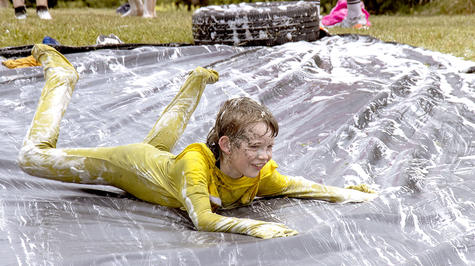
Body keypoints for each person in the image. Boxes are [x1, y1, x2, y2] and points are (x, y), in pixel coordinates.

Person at [18, 44, 377, 239]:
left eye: (269, 147)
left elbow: (301, 187)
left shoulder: (261, 173)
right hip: (126, 164)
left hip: (157, 161)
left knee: (158, 147)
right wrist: (257, 227)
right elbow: (203, 220)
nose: (264, 157)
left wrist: (353, 194)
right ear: (226, 144)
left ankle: (195, 80)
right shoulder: (196, 166)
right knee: (32, 158)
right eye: (254, 147)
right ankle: (61, 75)